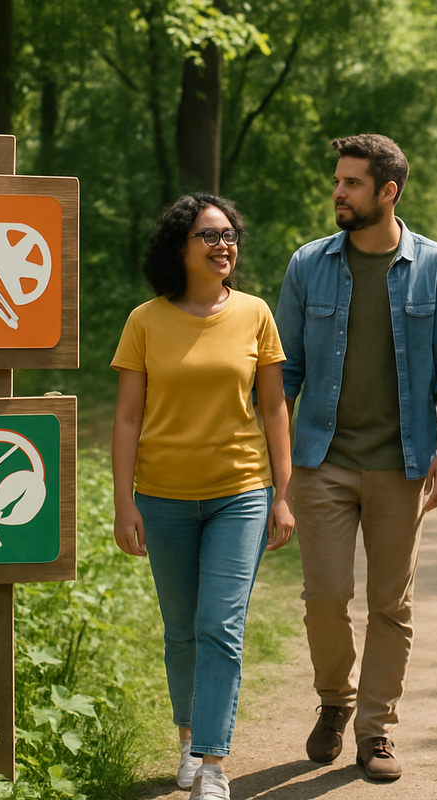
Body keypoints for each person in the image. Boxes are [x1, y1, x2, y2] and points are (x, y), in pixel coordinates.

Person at [275, 133, 437, 781]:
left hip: (403, 463)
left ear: (389, 192)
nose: (337, 192)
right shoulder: (308, 264)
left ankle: (376, 730)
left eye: (352, 183)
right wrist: (273, 464)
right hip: (321, 458)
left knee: (392, 603)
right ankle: (335, 701)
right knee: (325, 596)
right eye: (337, 181)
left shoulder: (436, 266)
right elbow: (286, 370)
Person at [111, 194, 294, 800]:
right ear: (179, 247)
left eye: (228, 234)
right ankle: (189, 741)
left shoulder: (255, 313)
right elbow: (128, 420)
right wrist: (124, 501)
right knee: (181, 629)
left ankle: (213, 765)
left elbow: (273, 408)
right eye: (208, 235)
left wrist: (282, 495)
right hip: (161, 497)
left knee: (220, 625)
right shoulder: (145, 321)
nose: (223, 245)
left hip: (239, 493)